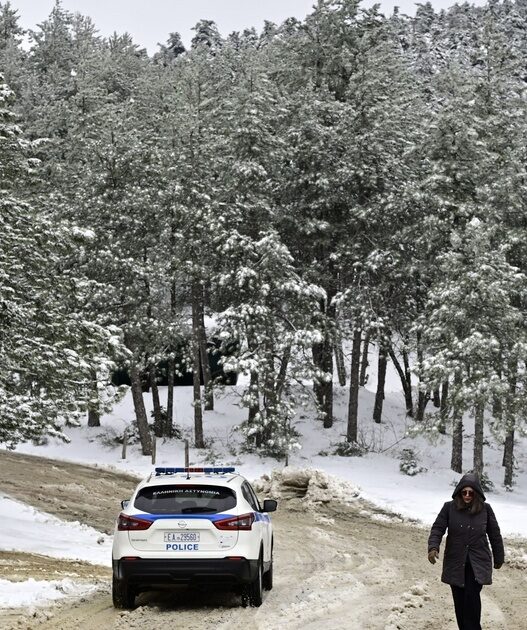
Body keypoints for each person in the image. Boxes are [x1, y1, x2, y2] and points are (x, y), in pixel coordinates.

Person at [427, 472, 504, 630]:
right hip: (455, 562)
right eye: (464, 492)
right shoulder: (449, 508)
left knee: (471, 599)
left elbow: (495, 535)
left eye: (471, 492)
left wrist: (499, 556)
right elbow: (437, 529)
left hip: (477, 563)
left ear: (477, 493)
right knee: (460, 602)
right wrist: (433, 547)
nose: (467, 495)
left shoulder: (485, 509)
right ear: (459, 492)